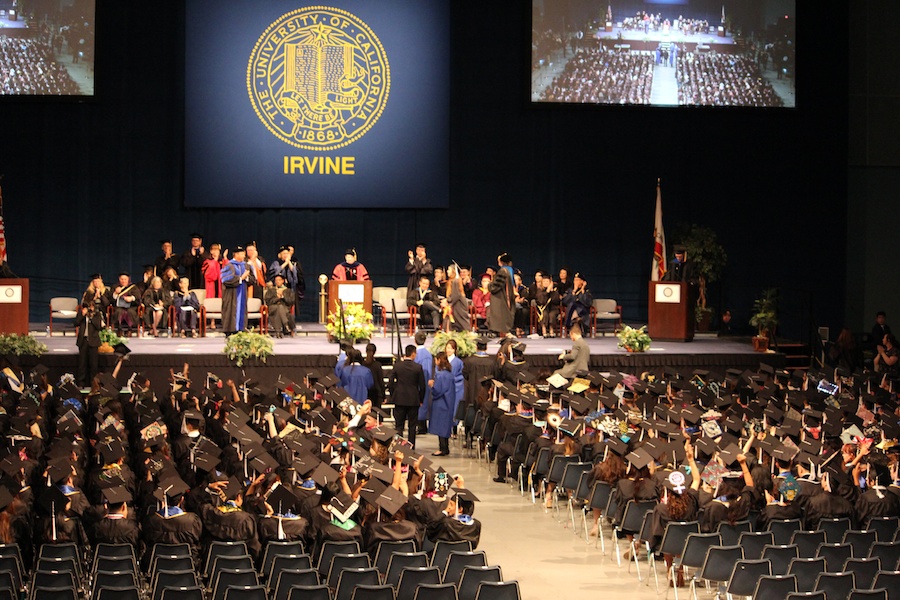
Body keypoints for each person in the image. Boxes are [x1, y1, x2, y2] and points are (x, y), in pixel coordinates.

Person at [389, 344, 426, 447]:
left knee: (399, 425)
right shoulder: (418, 367)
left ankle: (399, 447)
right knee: (412, 426)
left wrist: (393, 394)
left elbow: (390, 381)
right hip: (413, 400)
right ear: (413, 354)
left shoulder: (397, 366)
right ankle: (411, 447)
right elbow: (422, 386)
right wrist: (421, 399)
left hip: (399, 399)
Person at [220, 246, 255, 335]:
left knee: (242, 309)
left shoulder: (246, 265)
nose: (244, 255)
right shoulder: (229, 265)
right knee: (231, 310)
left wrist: (246, 278)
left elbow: (253, 280)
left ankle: (242, 328)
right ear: (236, 254)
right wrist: (240, 278)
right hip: (231, 294)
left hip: (243, 293)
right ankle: (230, 330)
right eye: (242, 254)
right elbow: (225, 280)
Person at [75, 285, 104, 387]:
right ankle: (81, 384)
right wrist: (83, 315)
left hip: (93, 341)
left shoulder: (97, 314)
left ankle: (94, 384)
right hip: (83, 341)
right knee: (82, 364)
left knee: (93, 365)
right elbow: (76, 323)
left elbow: (99, 327)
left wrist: (91, 317)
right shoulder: (81, 313)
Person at [429, 352, 455, 457]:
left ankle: (442, 449)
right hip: (449, 403)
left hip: (441, 404)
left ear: (439, 360)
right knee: (445, 426)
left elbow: (438, 390)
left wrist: (432, 385)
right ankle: (445, 448)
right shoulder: (450, 374)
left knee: (441, 427)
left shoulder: (440, 375)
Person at [488, 253, 515, 336]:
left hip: (500, 298)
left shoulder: (503, 271)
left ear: (501, 262)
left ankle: (504, 334)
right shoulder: (509, 270)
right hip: (506, 296)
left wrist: (489, 285)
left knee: (501, 315)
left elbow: (496, 286)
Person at [415, 331, 434, 434]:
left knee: (423, 403)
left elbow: (426, 372)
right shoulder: (425, 354)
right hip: (419, 381)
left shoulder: (424, 355)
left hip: (421, 382)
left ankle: (422, 426)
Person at [441, 264, 470, 332]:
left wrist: (447, 301)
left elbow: (456, 295)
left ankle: (468, 335)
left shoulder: (456, 281)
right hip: (455, 303)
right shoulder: (451, 281)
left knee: (462, 321)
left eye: (449, 270)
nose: (447, 271)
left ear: (453, 271)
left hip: (459, 303)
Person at [110, 272, 139, 337]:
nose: (123, 281)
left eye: (125, 279)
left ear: (128, 279)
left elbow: (138, 298)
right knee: (119, 311)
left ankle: (130, 329)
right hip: (118, 307)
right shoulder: (115, 287)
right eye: (122, 279)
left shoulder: (133, 287)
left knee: (130, 312)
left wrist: (131, 298)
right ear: (119, 279)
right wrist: (115, 293)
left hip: (130, 307)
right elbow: (110, 300)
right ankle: (119, 329)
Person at [535, 273, 560, 338]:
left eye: (547, 281)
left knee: (552, 314)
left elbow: (556, 301)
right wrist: (547, 292)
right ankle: (544, 330)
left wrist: (552, 292)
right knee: (544, 314)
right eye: (544, 281)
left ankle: (551, 330)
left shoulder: (554, 290)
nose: (546, 283)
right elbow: (541, 301)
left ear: (550, 283)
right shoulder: (539, 290)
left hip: (553, 308)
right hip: (543, 308)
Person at [362, 343, 385, 407]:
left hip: (365, 393)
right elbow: (381, 381)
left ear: (366, 351)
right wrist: (384, 395)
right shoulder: (377, 365)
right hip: (376, 394)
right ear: (374, 352)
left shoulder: (362, 364)